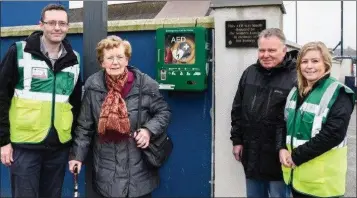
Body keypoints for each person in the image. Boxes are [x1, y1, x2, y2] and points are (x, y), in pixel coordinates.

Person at [68, 35, 171, 198]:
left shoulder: (145, 84)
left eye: (120, 57)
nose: (115, 62)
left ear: (127, 60)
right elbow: (84, 126)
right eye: (109, 58)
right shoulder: (93, 86)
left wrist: (148, 130)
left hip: (139, 171)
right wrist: (77, 157)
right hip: (106, 169)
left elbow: (163, 112)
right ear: (102, 62)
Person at [0, 4, 82, 198]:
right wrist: (3, 141)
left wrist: (75, 149)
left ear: (68, 27)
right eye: (51, 22)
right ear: (41, 24)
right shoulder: (19, 51)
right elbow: (1, 97)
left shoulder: (74, 59)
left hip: (59, 147)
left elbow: (76, 106)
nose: (57, 27)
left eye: (62, 23)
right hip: (24, 146)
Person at [279, 41, 355, 198]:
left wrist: (296, 156)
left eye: (315, 61)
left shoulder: (339, 93)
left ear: (326, 64)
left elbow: (333, 134)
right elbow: (283, 122)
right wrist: (281, 148)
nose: (309, 66)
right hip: (297, 180)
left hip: (322, 185)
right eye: (304, 61)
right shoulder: (295, 91)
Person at [230, 28, 298, 197]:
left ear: (284, 50)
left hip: (280, 156)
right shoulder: (250, 73)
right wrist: (237, 140)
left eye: (272, 50)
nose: (266, 54)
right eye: (262, 50)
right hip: (252, 155)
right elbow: (237, 109)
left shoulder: (296, 77)